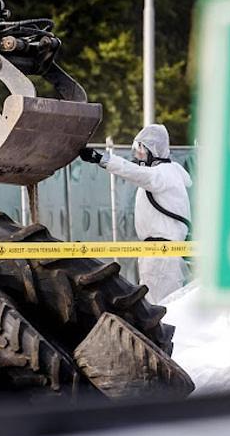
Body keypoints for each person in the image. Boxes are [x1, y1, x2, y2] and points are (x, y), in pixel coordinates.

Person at [80, 124, 191, 303]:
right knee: (157, 308)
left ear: (152, 150)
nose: (138, 155)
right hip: (158, 254)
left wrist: (101, 159)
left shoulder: (162, 175)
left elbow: (134, 172)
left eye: (141, 149)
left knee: (161, 309)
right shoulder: (164, 174)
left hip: (161, 257)